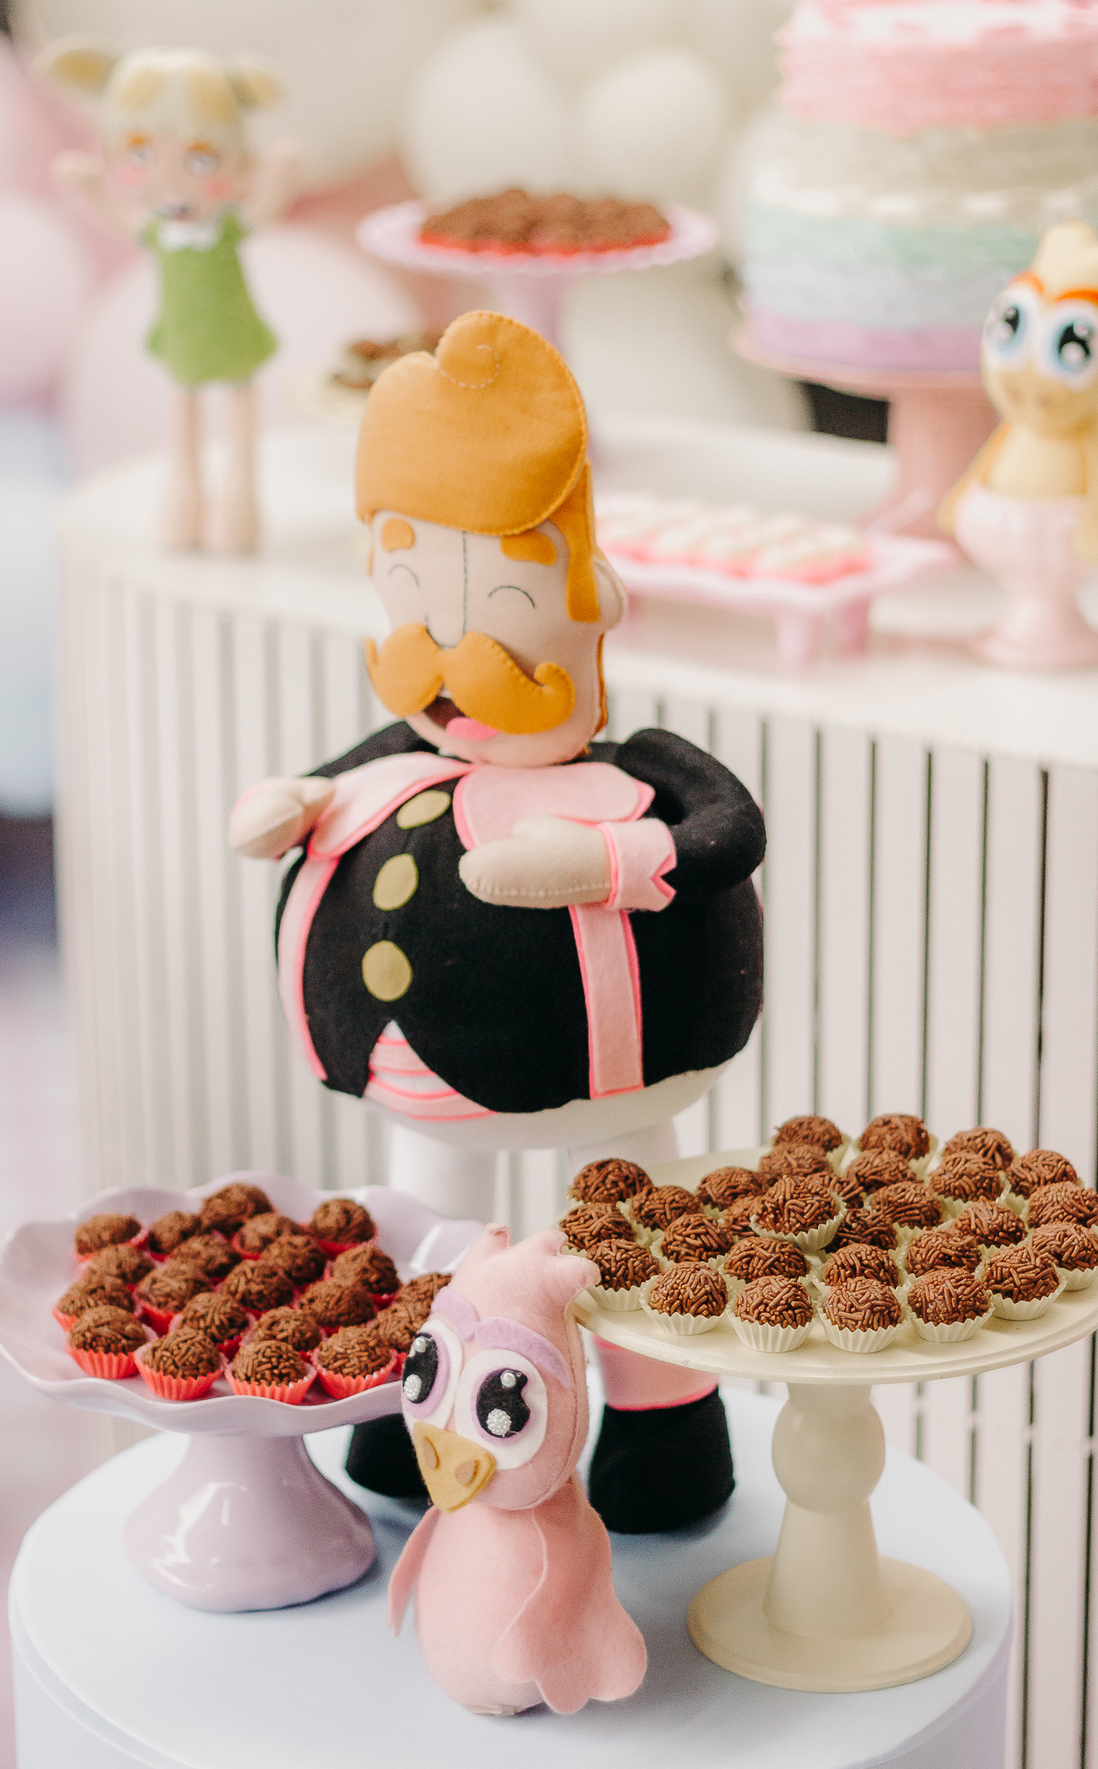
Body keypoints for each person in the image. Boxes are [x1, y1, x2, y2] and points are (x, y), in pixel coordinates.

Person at [231, 311, 766, 1531]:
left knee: (627, 1231)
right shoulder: (394, 757)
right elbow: (329, 782)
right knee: (429, 1231)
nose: (455, 660)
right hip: (417, 1082)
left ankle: (664, 1430)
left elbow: (728, 834)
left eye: (503, 606)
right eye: (418, 607)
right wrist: (299, 800)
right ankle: (408, 1409)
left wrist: (607, 860)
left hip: (614, 1077)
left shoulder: (642, 770)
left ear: (594, 600)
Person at [41, 39, 301, 553]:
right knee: (182, 420)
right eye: (140, 155)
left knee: (241, 422)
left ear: (235, 159)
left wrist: (278, 176)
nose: (171, 179)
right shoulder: (162, 232)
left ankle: (239, 504)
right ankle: (184, 501)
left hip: (234, 335)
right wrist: (92, 190)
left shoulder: (223, 228)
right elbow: (123, 221)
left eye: (201, 159)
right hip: (181, 339)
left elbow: (262, 212)